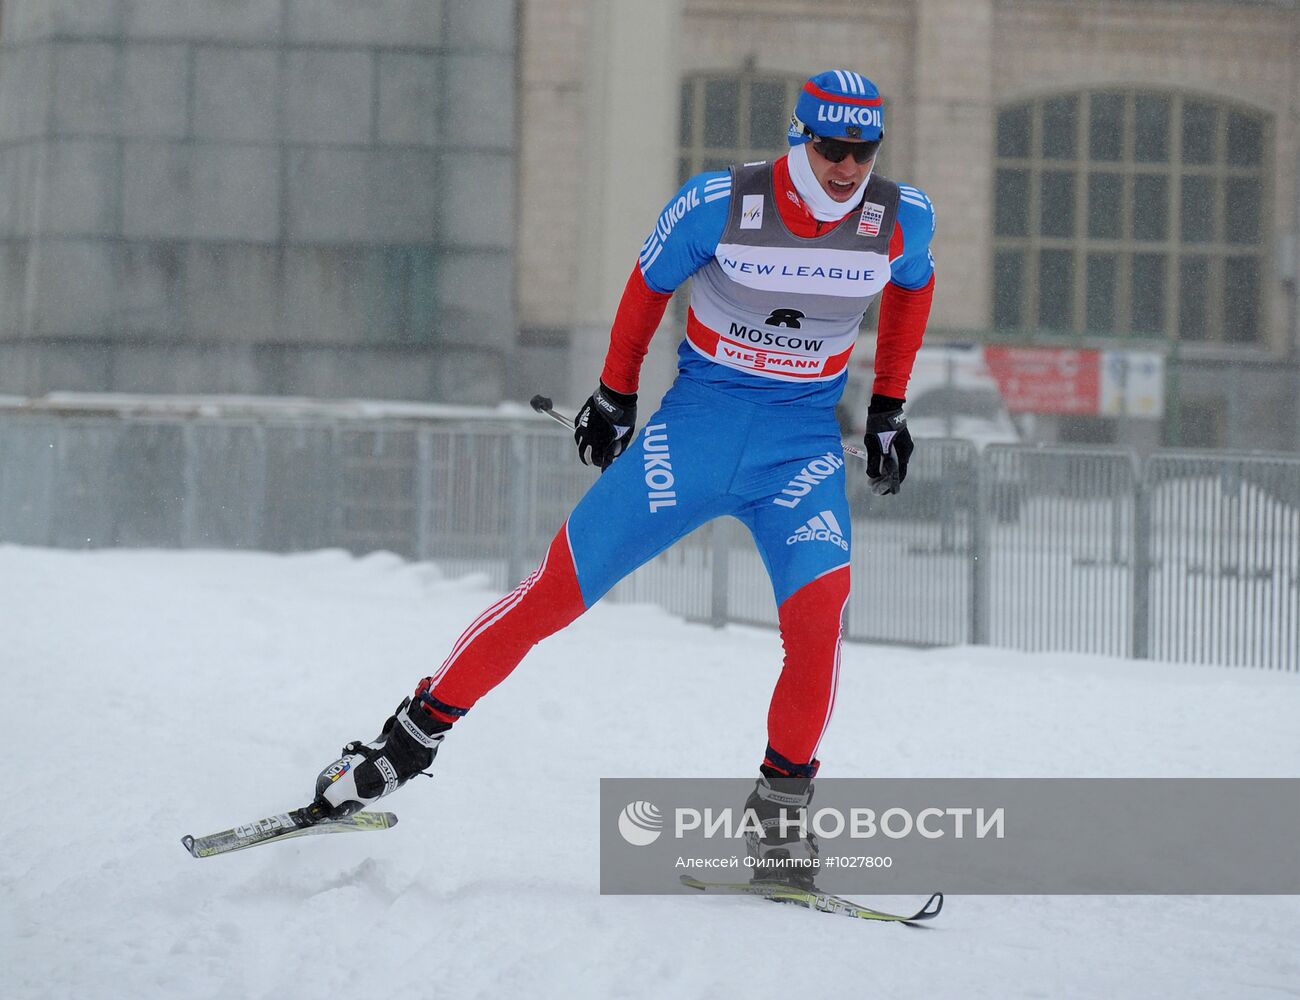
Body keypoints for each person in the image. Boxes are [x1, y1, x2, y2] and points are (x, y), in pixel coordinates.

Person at [311, 70, 935, 888]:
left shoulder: (901, 217)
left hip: (800, 449)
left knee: (819, 626)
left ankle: (779, 820)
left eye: (863, 150)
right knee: (554, 595)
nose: (849, 168)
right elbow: (646, 287)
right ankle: (404, 742)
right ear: (800, 138)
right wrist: (614, 394)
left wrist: (888, 409)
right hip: (697, 430)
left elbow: (913, 295)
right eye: (832, 149)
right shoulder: (720, 202)